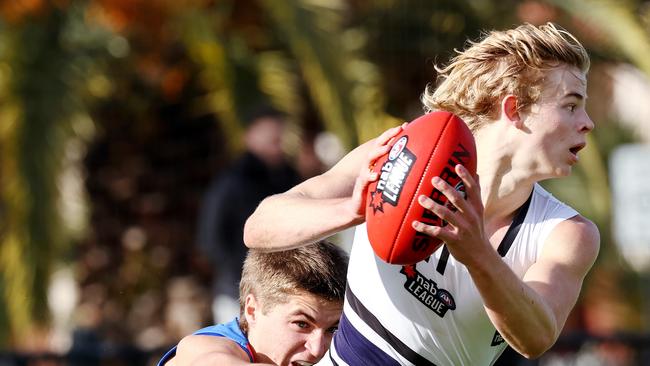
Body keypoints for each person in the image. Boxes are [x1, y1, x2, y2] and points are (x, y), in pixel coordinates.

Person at [243, 22, 600, 365]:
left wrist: (477, 252)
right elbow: (260, 227)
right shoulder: (398, 153)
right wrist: (355, 208)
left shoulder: (567, 232)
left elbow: (537, 337)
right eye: (570, 105)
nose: (588, 122)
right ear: (514, 110)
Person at [158, 240, 349, 366]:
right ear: (252, 310)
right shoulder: (207, 346)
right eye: (302, 324)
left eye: (332, 330)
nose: (318, 349)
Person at [196, 105, 300, 323]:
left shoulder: (289, 177)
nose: (276, 142)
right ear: (250, 136)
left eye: (279, 136)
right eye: (269, 135)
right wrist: (242, 275)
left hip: (285, 291)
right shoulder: (232, 182)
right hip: (235, 290)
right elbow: (211, 238)